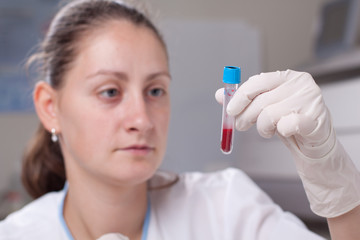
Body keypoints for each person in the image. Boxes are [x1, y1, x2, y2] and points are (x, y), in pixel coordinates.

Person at [0, 0, 359, 239]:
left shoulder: (226, 208)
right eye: (110, 91)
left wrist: (340, 192)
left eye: (155, 91)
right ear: (50, 107)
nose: (141, 119)